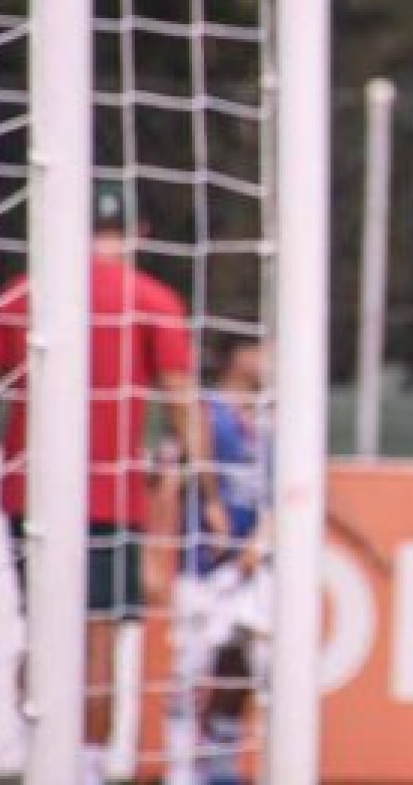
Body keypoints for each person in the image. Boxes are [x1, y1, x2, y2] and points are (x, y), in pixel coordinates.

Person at [0, 177, 225, 785]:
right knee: (99, 639)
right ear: (139, 234)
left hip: (31, 490)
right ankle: (83, 769)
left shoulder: (23, 295)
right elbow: (183, 403)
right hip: (111, 492)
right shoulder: (153, 300)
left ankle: (38, 754)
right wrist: (206, 491)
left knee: (40, 627)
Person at [148, 335, 270, 785]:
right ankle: (181, 770)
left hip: (249, 567)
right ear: (239, 356)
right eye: (264, 351)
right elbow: (168, 482)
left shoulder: (262, 421)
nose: (271, 362)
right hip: (203, 563)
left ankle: (221, 765)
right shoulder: (204, 412)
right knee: (189, 671)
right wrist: (155, 556)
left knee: (242, 666)